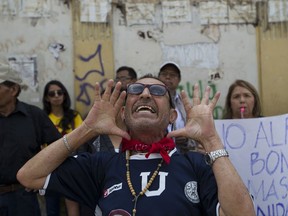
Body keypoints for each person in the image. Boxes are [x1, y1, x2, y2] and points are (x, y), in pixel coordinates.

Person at [17, 74, 256, 216]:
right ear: (123, 113)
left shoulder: (198, 164)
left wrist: (211, 140)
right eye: (135, 89)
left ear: (173, 116)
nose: (145, 94)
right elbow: (29, 176)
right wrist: (87, 129)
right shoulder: (101, 165)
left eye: (157, 91)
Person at [0, 63, 61, 216]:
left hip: (23, 199)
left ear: (13, 90)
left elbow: (58, 147)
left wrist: (44, 175)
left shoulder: (34, 116)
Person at [43, 80, 84, 216]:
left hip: (72, 167)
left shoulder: (74, 116)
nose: (56, 96)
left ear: (64, 95)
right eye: (52, 94)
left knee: (73, 208)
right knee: (52, 208)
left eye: (59, 92)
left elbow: (83, 139)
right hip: (50, 169)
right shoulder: (43, 118)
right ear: (47, 98)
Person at [158, 61, 195, 152]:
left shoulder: (183, 104)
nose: (168, 77)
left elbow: (194, 132)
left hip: (182, 153)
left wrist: (187, 139)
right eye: (164, 74)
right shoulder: (151, 100)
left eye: (172, 75)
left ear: (179, 80)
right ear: (158, 77)